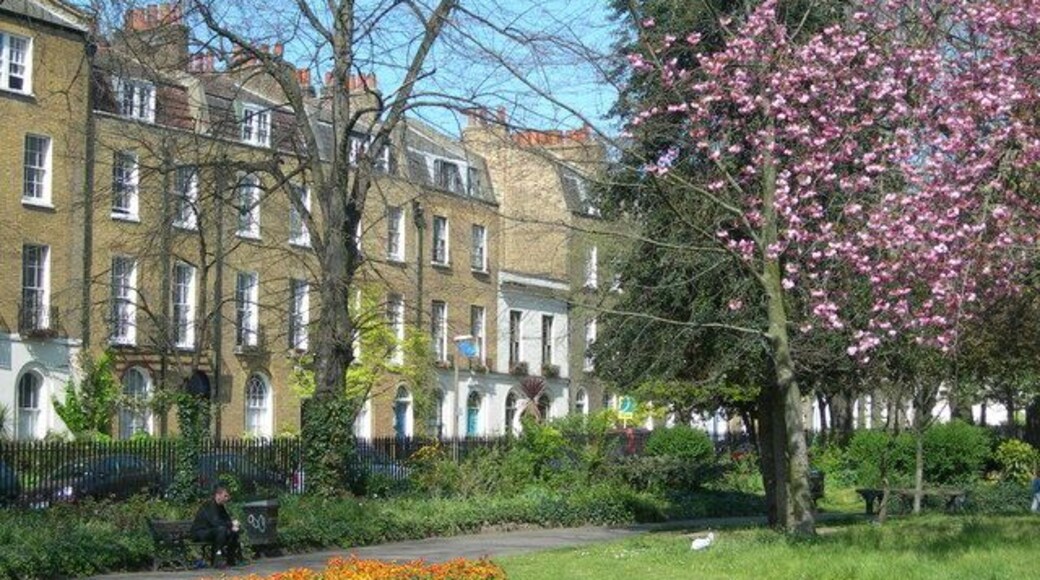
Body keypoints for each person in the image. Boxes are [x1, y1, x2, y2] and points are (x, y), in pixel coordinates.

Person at [191, 486, 242, 567]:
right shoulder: (209, 505)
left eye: (228, 496)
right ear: (218, 495)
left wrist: (233, 527)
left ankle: (231, 560)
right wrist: (231, 524)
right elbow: (215, 522)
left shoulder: (221, 507)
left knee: (233, 532)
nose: (227, 498)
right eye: (225, 496)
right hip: (200, 532)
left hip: (213, 531)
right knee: (221, 530)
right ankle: (216, 559)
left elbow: (226, 520)